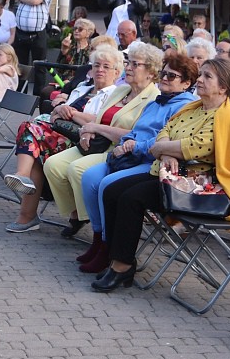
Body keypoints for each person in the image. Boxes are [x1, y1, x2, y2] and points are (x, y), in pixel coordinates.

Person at [92, 58, 230, 292]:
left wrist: (164, 149)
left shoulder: (226, 118)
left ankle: (122, 267)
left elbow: (196, 146)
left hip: (201, 186)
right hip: (172, 174)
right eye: (201, 74)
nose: (200, 80)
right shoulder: (194, 107)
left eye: (207, 77)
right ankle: (117, 259)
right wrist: (166, 153)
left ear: (223, 88)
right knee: (114, 190)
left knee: (131, 198)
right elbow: (166, 131)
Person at [75, 54, 199, 272]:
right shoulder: (154, 102)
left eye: (172, 75)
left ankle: (109, 247)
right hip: (130, 155)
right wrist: (124, 142)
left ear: (186, 83)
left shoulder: (184, 106)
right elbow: (135, 130)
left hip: (151, 160)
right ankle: (99, 239)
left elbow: (164, 138)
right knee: (89, 177)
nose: (165, 78)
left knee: (107, 184)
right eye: (164, 73)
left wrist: (134, 146)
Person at [43, 42, 163, 241]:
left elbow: (134, 134)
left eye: (135, 64)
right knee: (52, 165)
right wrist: (86, 133)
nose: (129, 67)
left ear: (150, 72)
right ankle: (78, 215)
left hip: (120, 151)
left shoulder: (153, 98)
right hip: (97, 144)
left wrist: (96, 128)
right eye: (128, 63)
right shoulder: (120, 91)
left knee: (78, 169)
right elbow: (98, 119)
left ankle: (99, 232)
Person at [3, 47, 126, 232]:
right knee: (33, 141)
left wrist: (72, 114)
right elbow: (55, 116)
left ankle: (24, 187)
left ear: (117, 72)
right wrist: (59, 109)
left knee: (30, 131)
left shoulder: (115, 95)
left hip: (83, 142)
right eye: (97, 65)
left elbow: (101, 121)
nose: (100, 69)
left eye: (106, 66)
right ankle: (27, 213)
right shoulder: (81, 88)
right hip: (56, 135)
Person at [5, 0, 53, 92]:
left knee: (40, 66)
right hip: (21, 34)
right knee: (20, 66)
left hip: (38, 34)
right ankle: (21, 94)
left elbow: (35, 1)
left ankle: (38, 97)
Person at [39, 18, 95, 112]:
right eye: (75, 29)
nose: (76, 31)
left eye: (80, 29)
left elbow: (86, 71)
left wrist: (70, 81)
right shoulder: (69, 46)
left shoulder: (91, 50)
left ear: (88, 33)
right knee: (45, 92)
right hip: (62, 82)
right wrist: (64, 51)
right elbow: (60, 69)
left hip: (79, 84)